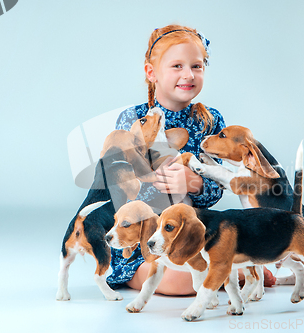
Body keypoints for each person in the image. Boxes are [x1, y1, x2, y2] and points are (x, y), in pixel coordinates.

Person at [106, 24, 274, 295]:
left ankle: (228, 267)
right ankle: (234, 270)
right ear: (152, 73)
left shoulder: (210, 121)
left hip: (192, 231)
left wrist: (194, 183)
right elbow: (122, 186)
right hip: (143, 238)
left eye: (197, 66)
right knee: (175, 281)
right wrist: (156, 181)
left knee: (203, 254)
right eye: (177, 66)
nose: (188, 74)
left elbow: (219, 187)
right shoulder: (133, 119)